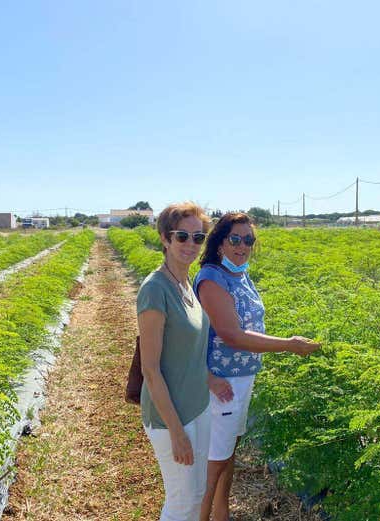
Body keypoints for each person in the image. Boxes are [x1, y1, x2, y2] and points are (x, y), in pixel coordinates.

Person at [194, 212, 321, 521]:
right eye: (235, 239)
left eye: (248, 240)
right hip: (222, 382)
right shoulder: (212, 278)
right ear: (220, 242)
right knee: (213, 462)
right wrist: (290, 345)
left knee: (228, 453)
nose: (242, 246)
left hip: (242, 378)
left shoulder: (240, 274)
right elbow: (231, 335)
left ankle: (221, 514)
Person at [137, 202, 212, 521]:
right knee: (182, 501)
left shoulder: (187, 282)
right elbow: (150, 370)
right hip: (172, 416)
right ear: (165, 238)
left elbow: (189, 350)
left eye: (199, 237)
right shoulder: (155, 290)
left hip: (198, 406)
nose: (191, 244)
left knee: (197, 495)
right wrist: (177, 432)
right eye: (183, 236)